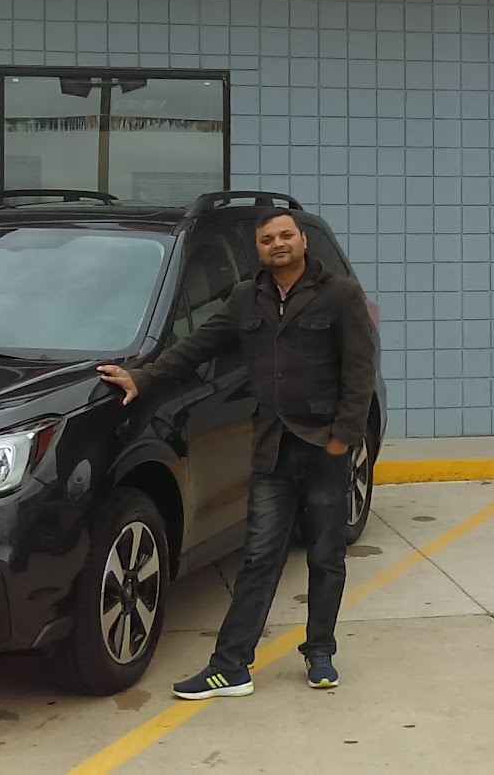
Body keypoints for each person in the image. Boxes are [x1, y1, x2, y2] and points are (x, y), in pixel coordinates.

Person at [97, 208, 376, 700]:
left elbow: (360, 370)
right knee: (259, 557)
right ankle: (230, 666)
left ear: (303, 240)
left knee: (326, 556)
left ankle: (320, 651)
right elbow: (198, 345)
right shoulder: (247, 297)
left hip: (324, 447)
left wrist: (343, 438)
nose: (278, 244)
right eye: (268, 239)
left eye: (286, 235)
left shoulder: (339, 294)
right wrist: (143, 377)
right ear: (260, 249)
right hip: (272, 450)